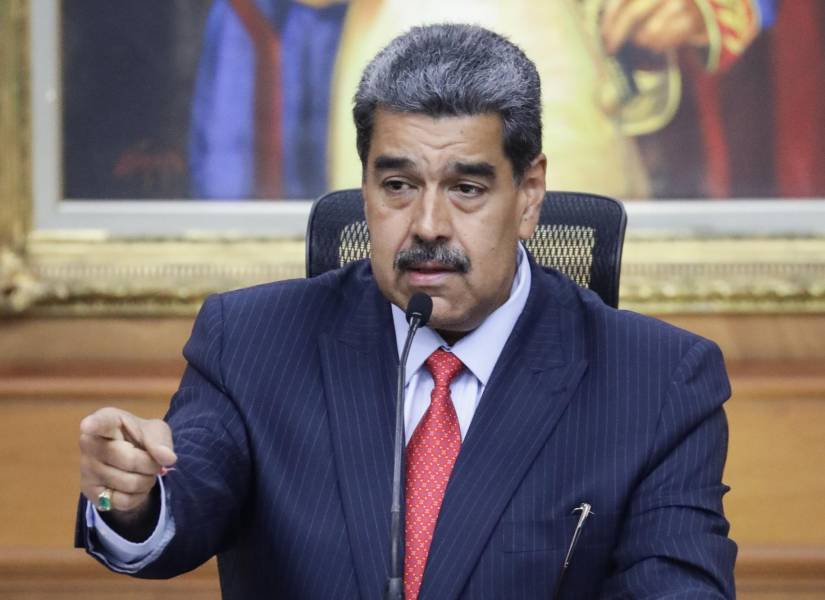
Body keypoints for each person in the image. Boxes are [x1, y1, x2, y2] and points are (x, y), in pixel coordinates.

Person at [76, 24, 737, 598]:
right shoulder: (249, 344)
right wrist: (131, 497)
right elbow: (183, 495)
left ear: (529, 193)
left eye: (466, 188)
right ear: (363, 186)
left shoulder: (656, 382)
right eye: (397, 186)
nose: (426, 225)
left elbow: (677, 582)